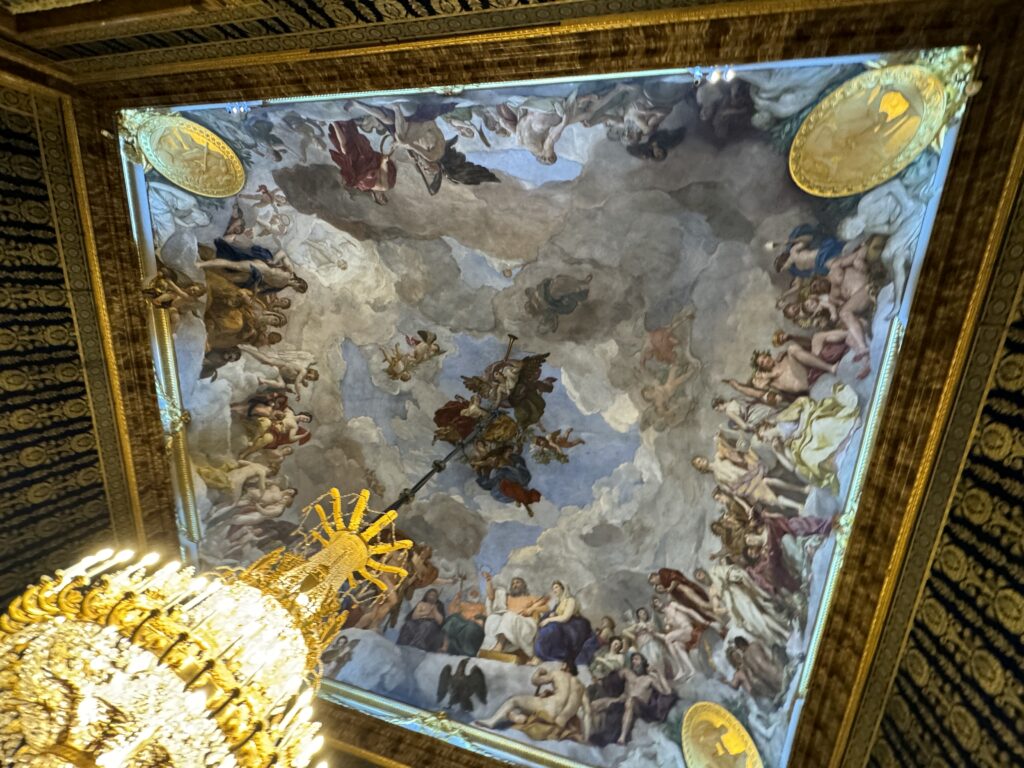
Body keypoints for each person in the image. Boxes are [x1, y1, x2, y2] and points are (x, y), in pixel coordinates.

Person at [476, 664, 590, 743]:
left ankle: (492, 722)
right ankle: (520, 718)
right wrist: (586, 736)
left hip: (548, 708)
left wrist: (538, 671)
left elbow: (535, 681)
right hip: (560, 723)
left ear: (565, 666)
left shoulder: (558, 673)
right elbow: (588, 713)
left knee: (514, 701)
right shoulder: (582, 687)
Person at [589, 653, 678, 746]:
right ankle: (594, 734)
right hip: (623, 701)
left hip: (639, 706)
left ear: (643, 662)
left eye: (637, 659)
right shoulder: (628, 674)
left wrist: (659, 673)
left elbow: (667, 691)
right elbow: (614, 680)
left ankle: (622, 738)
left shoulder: (649, 679)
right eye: (633, 660)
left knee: (630, 701)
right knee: (594, 704)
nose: (634, 662)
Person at [532, 581, 593, 672]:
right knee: (546, 628)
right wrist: (552, 615)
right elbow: (557, 613)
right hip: (561, 623)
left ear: (563, 588)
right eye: (553, 588)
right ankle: (540, 655)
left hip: (573, 625)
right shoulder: (559, 602)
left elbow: (565, 617)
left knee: (551, 629)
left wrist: (549, 619)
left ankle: (552, 655)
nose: (554, 590)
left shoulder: (570, 600)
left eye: (556, 587)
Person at [482, 573, 548, 656]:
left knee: (508, 616)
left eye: (517, 582)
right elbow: (491, 597)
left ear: (523, 585)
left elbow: (546, 607)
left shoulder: (530, 597)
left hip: (525, 622)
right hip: (508, 620)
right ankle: (488, 647)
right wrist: (489, 582)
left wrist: (532, 609)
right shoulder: (507, 597)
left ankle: (499, 646)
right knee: (493, 618)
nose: (515, 585)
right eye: (513, 583)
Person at [651, 595, 708, 681]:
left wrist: (702, 620)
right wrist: (654, 633)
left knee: (669, 638)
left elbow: (689, 611)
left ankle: (681, 668)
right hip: (685, 635)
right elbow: (669, 636)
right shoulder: (666, 620)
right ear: (656, 608)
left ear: (660, 600)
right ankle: (692, 669)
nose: (657, 603)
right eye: (655, 604)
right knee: (676, 645)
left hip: (689, 628)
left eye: (657, 601)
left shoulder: (672, 605)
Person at [621, 607, 673, 679]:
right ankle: (656, 679)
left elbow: (654, 633)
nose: (643, 614)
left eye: (644, 613)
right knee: (649, 662)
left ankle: (662, 677)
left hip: (652, 643)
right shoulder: (637, 625)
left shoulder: (650, 623)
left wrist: (650, 629)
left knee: (657, 659)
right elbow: (624, 631)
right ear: (638, 616)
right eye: (641, 613)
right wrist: (633, 637)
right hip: (643, 646)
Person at [442, 587, 487, 657]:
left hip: (474, 624)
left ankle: (467, 653)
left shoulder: (481, 606)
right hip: (462, 623)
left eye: (476, 593)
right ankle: (445, 645)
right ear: (468, 595)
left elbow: (485, 616)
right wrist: (456, 598)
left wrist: (481, 621)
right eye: (472, 593)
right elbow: (451, 612)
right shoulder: (463, 604)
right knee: (453, 619)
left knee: (470, 627)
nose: (474, 594)